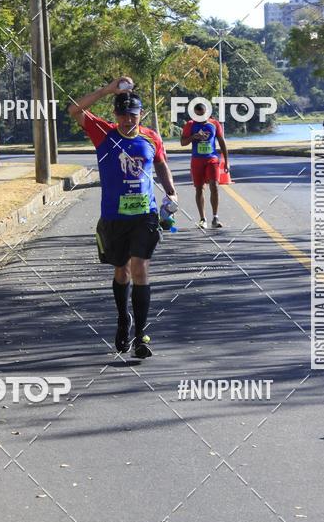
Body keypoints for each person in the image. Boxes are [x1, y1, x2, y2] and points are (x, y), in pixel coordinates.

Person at [69, 77, 178, 359]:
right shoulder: (103, 134)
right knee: (122, 271)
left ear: (140, 114)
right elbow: (75, 110)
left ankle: (141, 335)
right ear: (115, 115)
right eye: (123, 115)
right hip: (114, 218)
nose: (128, 120)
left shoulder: (151, 137)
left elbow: (161, 163)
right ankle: (123, 319)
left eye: (133, 115)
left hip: (145, 216)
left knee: (140, 268)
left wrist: (171, 192)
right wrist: (107, 90)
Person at [180, 102, 229, 229]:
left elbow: (222, 142)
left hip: (212, 159)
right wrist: (193, 137)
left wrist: (226, 161)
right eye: (198, 115)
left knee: (214, 186)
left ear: (207, 113)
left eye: (202, 115)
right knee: (199, 189)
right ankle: (203, 219)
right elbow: (183, 142)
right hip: (197, 160)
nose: (200, 118)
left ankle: (215, 217)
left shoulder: (214, 124)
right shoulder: (190, 125)